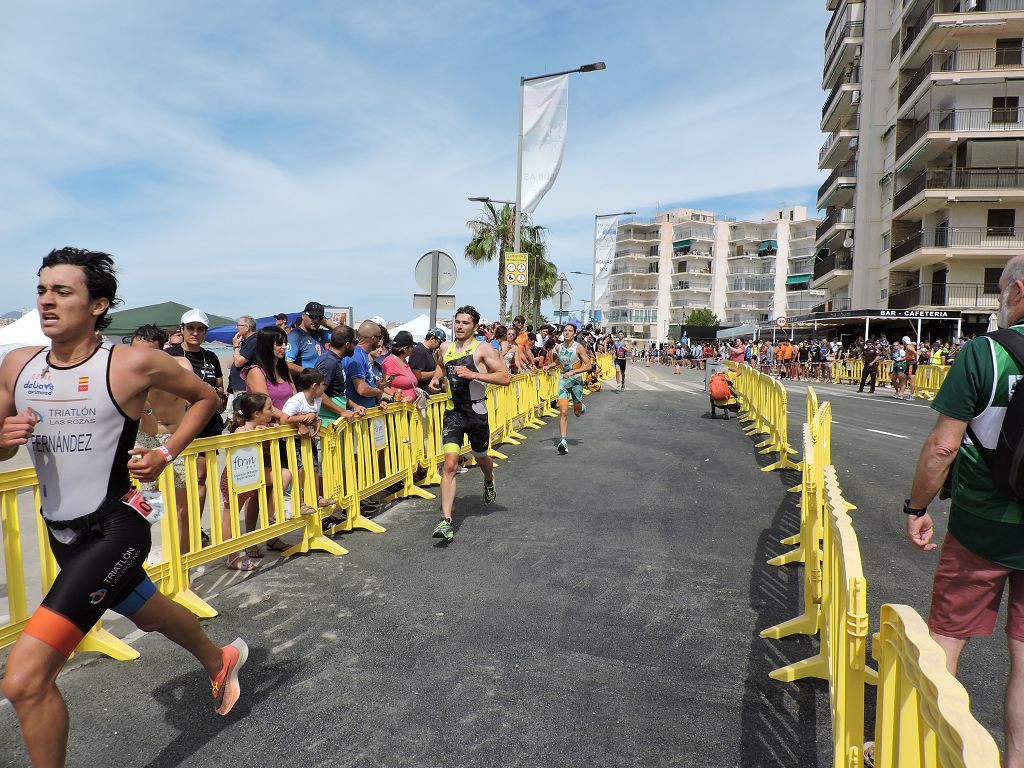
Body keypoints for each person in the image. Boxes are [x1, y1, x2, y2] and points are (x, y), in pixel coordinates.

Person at [0, 249, 247, 767]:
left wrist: (165, 452)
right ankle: (220, 658)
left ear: (98, 305)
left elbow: (206, 398)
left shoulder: (131, 362)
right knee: (149, 612)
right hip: (60, 532)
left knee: (25, 681)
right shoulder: (18, 365)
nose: (47, 300)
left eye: (62, 291)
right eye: (42, 289)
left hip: (116, 526)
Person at [904, 256, 1024, 768]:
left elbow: (942, 448)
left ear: (1018, 290)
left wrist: (917, 507)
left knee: (946, 640)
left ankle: (923, 753)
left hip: (982, 528)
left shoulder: (985, 354)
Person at [432, 305, 510, 543]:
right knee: (450, 465)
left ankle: (489, 480)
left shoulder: (483, 349)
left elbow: (505, 378)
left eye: (465, 323)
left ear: (475, 327)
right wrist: (437, 379)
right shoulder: (445, 348)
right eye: (457, 322)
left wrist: (474, 374)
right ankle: (446, 521)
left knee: (481, 457)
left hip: (476, 412)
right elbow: (440, 368)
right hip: (453, 412)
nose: (459, 326)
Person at [167, 309, 228, 552]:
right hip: (180, 426)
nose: (195, 333)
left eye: (200, 329)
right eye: (190, 328)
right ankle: (181, 531)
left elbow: (220, 385)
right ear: (181, 330)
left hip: (209, 426)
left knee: (201, 478)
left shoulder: (210, 356)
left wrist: (219, 395)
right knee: (180, 483)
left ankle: (195, 526)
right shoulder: (170, 355)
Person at [219, 392, 292, 571]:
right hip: (236, 479)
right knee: (230, 518)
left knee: (284, 474)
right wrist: (258, 435)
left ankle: (272, 514)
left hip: (254, 475)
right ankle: (231, 557)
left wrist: (268, 432)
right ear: (257, 413)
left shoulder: (261, 427)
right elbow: (235, 448)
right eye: (269, 408)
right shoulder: (240, 430)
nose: (272, 411)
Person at [314, 325, 364, 427]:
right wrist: (342, 411)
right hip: (327, 425)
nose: (356, 347)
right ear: (347, 344)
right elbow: (317, 392)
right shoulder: (328, 362)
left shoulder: (336, 360)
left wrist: (354, 406)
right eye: (355, 343)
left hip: (336, 423)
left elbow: (338, 394)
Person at [554, 323, 592, 455]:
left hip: (576, 382)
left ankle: (581, 407)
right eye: (565, 330)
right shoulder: (558, 347)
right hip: (563, 382)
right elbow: (558, 362)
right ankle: (563, 441)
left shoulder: (579, 348)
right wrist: (550, 366)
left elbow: (588, 366)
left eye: (570, 331)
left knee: (577, 413)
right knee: (563, 412)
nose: (567, 333)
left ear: (574, 333)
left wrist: (574, 372)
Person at [344, 321, 393, 409]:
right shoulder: (357, 356)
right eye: (379, 337)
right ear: (373, 338)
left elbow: (368, 384)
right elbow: (361, 389)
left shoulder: (363, 354)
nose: (380, 341)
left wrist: (379, 398)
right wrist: (378, 392)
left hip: (367, 410)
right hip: (358, 414)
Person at [285, 301, 335, 376]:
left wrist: (326, 323)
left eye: (319, 317)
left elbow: (348, 335)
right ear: (303, 315)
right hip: (304, 385)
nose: (315, 320)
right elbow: (287, 364)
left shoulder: (321, 333)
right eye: (312, 316)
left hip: (321, 384)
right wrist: (310, 373)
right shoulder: (295, 336)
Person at [381, 330, 420, 403]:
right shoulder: (389, 362)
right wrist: (398, 397)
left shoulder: (403, 360)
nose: (413, 349)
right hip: (398, 408)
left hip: (409, 408)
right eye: (412, 346)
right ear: (405, 349)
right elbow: (384, 386)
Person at [228, 315, 258, 395]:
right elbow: (230, 364)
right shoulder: (246, 342)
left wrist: (236, 346)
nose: (236, 328)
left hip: (245, 388)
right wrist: (236, 346)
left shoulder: (254, 341)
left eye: (238, 325)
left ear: (247, 328)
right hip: (238, 386)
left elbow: (238, 363)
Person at [410, 328, 446, 394]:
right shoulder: (419, 351)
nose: (439, 347)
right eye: (439, 343)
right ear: (432, 338)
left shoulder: (429, 352)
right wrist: (437, 373)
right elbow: (418, 375)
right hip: (424, 394)